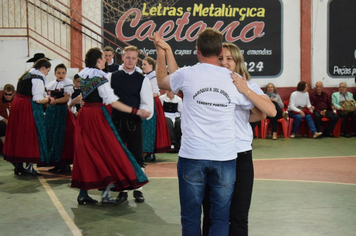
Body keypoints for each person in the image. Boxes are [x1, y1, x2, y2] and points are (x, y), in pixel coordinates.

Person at [152, 29, 258, 236]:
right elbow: (259, 110)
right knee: (220, 216)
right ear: (219, 51)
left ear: (197, 50)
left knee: (191, 216)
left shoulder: (188, 74)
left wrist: (161, 53)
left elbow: (163, 82)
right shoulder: (235, 80)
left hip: (193, 155)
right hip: (225, 157)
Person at [202, 42, 276, 236]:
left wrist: (245, 90)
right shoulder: (206, 85)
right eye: (220, 58)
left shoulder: (248, 85)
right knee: (210, 213)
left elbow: (269, 111)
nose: (224, 62)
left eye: (229, 59)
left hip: (240, 156)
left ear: (237, 62)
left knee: (239, 214)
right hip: (213, 155)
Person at [71, 47, 150, 205]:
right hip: (96, 117)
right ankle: (107, 194)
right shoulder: (100, 76)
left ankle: (83, 193)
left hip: (84, 115)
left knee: (86, 153)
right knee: (108, 152)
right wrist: (135, 111)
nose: (106, 61)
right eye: (103, 58)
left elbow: (84, 96)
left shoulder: (84, 74)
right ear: (98, 60)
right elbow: (112, 101)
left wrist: (73, 103)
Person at [109, 46, 154, 204]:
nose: (130, 61)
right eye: (128, 57)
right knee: (119, 157)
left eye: (133, 58)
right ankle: (122, 190)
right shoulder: (112, 77)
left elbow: (147, 104)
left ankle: (138, 189)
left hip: (134, 123)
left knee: (136, 156)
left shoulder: (143, 80)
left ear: (137, 60)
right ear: (122, 57)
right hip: (116, 122)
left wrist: (146, 112)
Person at [3, 58, 54, 176]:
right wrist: (49, 100)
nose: (47, 73)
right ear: (43, 68)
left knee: (20, 135)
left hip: (18, 105)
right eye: (48, 70)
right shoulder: (38, 78)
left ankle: (19, 165)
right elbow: (37, 99)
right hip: (28, 107)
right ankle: (29, 166)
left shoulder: (27, 74)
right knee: (31, 135)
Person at [45, 63, 75, 172]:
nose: (61, 75)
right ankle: (57, 163)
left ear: (66, 73)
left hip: (62, 112)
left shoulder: (68, 82)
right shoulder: (51, 84)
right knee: (53, 136)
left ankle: (65, 163)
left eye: (63, 73)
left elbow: (66, 98)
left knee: (64, 136)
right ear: (54, 73)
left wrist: (53, 101)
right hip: (52, 113)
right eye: (58, 73)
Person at [141, 57, 171, 161]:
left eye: (145, 64)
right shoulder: (145, 76)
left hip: (152, 103)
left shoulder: (154, 77)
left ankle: (150, 152)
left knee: (151, 128)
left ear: (151, 66)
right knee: (144, 128)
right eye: (142, 64)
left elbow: (156, 93)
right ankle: (144, 151)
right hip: (146, 102)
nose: (142, 66)